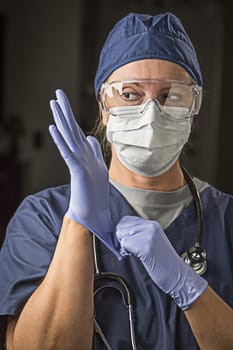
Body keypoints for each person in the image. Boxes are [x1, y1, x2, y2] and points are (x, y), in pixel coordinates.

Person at [0, 11, 233, 350]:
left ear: (193, 109)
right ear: (103, 106)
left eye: (172, 95)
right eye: (129, 94)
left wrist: (190, 288)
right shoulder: (44, 218)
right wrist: (78, 226)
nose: (152, 114)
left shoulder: (227, 222)